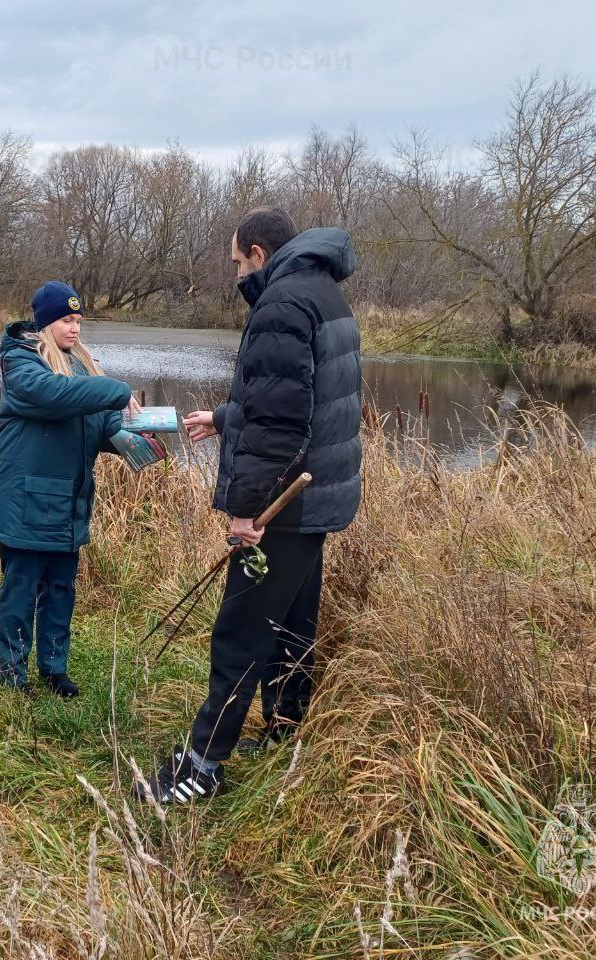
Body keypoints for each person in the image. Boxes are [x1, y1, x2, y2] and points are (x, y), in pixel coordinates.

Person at [138, 208, 362, 804]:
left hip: (283, 502)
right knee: (293, 621)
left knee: (240, 630)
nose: (236, 274)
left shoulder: (282, 305)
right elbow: (299, 400)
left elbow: (280, 423)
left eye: (238, 263)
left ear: (260, 254)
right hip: (316, 497)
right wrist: (224, 415)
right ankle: (286, 730)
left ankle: (202, 766)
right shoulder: (324, 294)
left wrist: (247, 511)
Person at [0, 281, 166, 695]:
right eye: (67, 321)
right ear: (46, 321)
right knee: (21, 592)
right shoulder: (21, 363)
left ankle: (54, 669)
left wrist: (132, 441)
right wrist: (117, 389)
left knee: (62, 591)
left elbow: (98, 423)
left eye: (78, 321)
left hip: (67, 504)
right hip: (28, 504)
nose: (74, 329)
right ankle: (12, 674)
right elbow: (55, 395)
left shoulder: (80, 365)